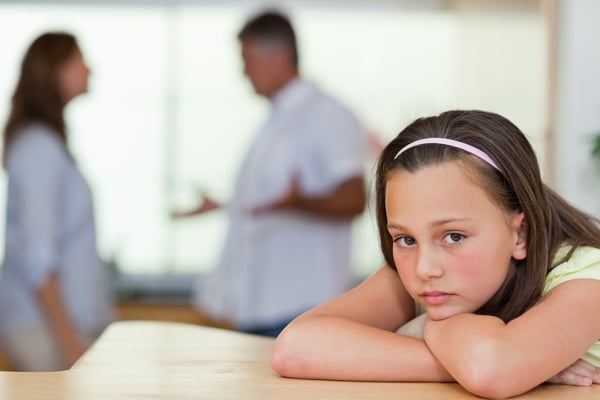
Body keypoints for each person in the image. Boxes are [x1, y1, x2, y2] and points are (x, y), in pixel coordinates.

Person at [271, 110, 600, 398]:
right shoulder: (425, 274)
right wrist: (458, 361)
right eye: (404, 239)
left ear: (520, 234)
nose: (425, 268)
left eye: (454, 236)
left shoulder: (587, 278)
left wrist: (428, 328)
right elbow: (295, 347)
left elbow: (491, 369)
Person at [175, 11, 367, 337]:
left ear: (280, 57)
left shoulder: (328, 115)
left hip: (301, 307)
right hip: (261, 305)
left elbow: (354, 198)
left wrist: (298, 202)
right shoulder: (278, 120)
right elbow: (271, 200)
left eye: (248, 60)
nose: (244, 72)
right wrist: (225, 205)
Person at [0, 32, 115, 371]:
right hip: (46, 332)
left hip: (62, 328)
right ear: (56, 70)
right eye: (80, 61)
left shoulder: (47, 144)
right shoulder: (38, 148)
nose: (90, 69)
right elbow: (39, 257)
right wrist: (68, 344)